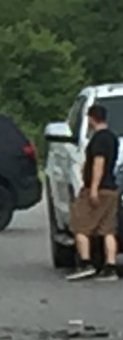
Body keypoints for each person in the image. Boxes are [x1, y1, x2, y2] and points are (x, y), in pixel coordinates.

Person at [67, 103, 119, 282]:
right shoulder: (112, 138)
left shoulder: (99, 139)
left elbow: (99, 163)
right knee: (108, 230)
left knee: (80, 226)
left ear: (91, 118)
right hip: (112, 189)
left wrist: (93, 189)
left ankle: (85, 263)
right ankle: (110, 267)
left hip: (99, 189)